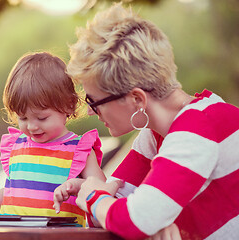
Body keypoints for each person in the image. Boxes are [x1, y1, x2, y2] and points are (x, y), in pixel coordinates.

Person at [53, 3, 239, 239]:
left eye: (94, 101)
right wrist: (90, 194)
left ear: (137, 99)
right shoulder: (156, 134)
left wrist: (93, 198)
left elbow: (135, 220)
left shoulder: (198, 127)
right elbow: (117, 208)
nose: (91, 112)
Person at [0, 52, 106, 227]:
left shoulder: (79, 150)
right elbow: (12, 192)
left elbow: (102, 190)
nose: (32, 127)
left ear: (69, 105)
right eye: (23, 118)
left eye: (41, 118)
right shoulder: (17, 146)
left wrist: (78, 185)